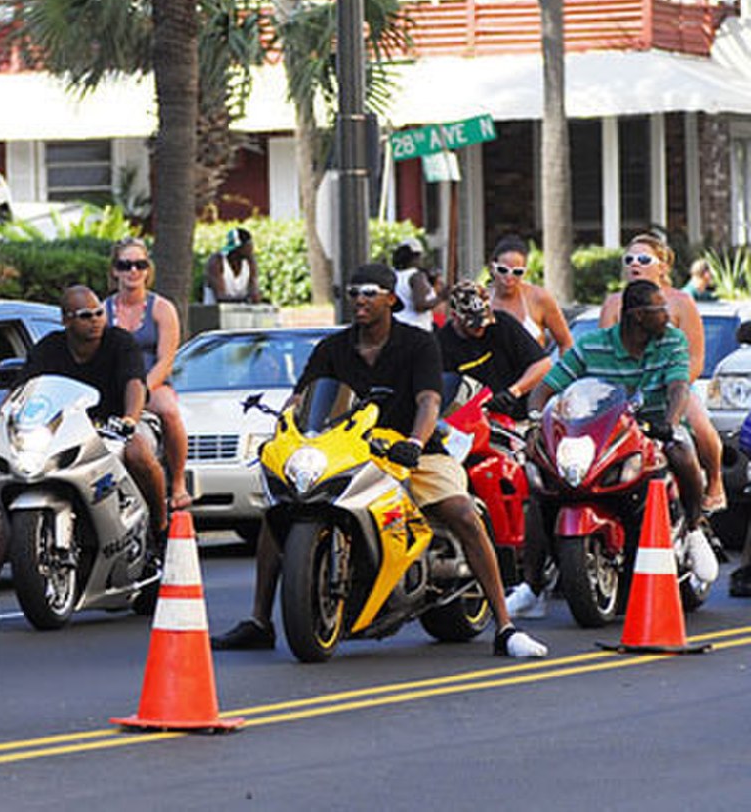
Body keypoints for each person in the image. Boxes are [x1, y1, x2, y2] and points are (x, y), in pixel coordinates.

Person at [211, 263, 547, 658]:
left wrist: (416, 442)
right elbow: (302, 398)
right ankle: (259, 621)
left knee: (460, 511)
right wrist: (286, 432)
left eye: (370, 292)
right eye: (354, 292)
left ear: (392, 299)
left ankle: (505, 625)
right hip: (346, 447)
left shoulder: (419, 344)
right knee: (280, 511)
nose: (360, 300)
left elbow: (428, 400)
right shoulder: (333, 348)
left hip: (408, 449)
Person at [517, 279, 719, 615]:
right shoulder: (593, 344)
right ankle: (530, 584)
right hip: (602, 436)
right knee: (541, 488)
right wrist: (535, 421)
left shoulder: (671, 341)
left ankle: (695, 528)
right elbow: (548, 388)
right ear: (638, 315)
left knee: (683, 452)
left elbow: (679, 388)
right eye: (659, 310)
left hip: (654, 429)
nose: (666, 316)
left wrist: (669, 423)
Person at [21, 285, 167, 535]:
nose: (96, 320)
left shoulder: (120, 341)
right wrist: (5, 422)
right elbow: (24, 389)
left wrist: (129, 419)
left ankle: (161, 524)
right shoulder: (48, 348)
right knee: (17, 488)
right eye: (86, 315)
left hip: (119, 423)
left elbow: (135, 383)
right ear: (66, 319)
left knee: (137, 452)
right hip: (66, 431)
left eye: (99, 313)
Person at [599, 233, 725, 513]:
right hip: (624, 389)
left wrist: (678, 383)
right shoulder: (613, 303)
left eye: (644, 259)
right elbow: (603, 351)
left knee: (701, 427)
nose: (635, 265)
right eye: (629, 259)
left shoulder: (680, 302)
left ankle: (714, 484)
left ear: (662, 266)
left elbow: (695, 357)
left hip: (671, 383)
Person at [105, 238, 191, 510]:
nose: (133, 271)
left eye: (139, 265)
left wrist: (141, 391)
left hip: (152, 384)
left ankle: (177, 482)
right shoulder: (103, 310)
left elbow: (166, 359)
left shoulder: (162, 309)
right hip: (114, 386)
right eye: (125, 265)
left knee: (168, 409)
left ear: (147, 270)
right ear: (114, 271)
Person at [437, 280, 552, 420]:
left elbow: (543, 364)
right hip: (475, 417)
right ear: (455, 316)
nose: (481, 328)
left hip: (518, 412)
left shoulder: (502, 324)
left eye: (484, 321)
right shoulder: (442, 342)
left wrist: (514, 392)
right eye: (473, 325)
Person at [488, 234, 573, 352]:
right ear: (493, 268)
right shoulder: (482, 300)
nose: (509, 277)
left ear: (525, 272)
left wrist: (562, 369)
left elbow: (566, 344)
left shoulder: (539, 298)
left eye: (517, 272)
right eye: (503, 270)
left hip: (536, 369)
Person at [391, 238, 443, 331]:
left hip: (397, 327)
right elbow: (420, 305)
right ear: (416, 257)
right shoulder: (416, 276)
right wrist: (441, 297)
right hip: (417, 329)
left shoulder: (394, 275)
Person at [204, 227, 261, 304]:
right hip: (213, 313)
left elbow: (253, 291)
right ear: (238, 247)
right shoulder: (216, 261)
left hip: (239, 313)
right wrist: (246, 300)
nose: (251, 248)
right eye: (248, 244)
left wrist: (255, 296)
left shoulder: (250, 262)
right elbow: (220, 297)